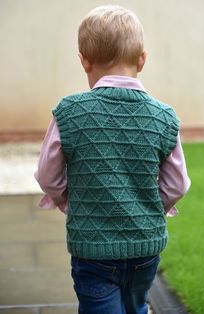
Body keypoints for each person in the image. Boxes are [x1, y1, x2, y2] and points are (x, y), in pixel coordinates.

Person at [35, 5, 190, 314]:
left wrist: (70, 199)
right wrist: (148, 208)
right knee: (137, 305)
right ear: (142, 60)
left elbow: (47, 175)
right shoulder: (164, 117)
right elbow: (178, 184)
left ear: (84, 61)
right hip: (146, 249)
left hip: (92, 250)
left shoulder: (69, 112)